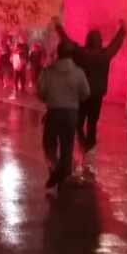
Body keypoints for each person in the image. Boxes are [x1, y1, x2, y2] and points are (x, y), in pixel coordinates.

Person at [55, 18, 126, 159]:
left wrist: (58, 27)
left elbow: (67, 41)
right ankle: (89, 146)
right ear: (99, 41)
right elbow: (115, 44)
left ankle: (83, 142)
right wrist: (122, 30)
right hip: (97, 94)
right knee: (92, 123)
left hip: (83, 94)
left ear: (88, 40)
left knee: (79, 122)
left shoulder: (82, 54)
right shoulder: (105, 55)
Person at [36, 46, 90, 194]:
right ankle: (62, 176)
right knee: (67, 146)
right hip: (71, 113)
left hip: (53, 113)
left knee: (49, 144)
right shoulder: (79, 72)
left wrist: (50, 97)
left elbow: (40, 92)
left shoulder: (48, 72)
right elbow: (86, 93)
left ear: (58, 55)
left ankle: (55, 170)